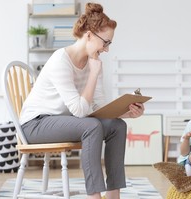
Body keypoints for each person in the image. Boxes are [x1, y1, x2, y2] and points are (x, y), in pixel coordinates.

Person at [19, 3, 145, 199]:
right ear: (89, 35)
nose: (106, 49)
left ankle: (113, 195)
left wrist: (125, 112)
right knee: (92, 126)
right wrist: (93, 74)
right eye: (105, 42)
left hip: (64, 121)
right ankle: (94, 196)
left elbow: (98, 107)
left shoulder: (93, 62)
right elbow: (79, 111)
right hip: (35, 124)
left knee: (117, 126)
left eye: (109, 43)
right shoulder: (60, 60)